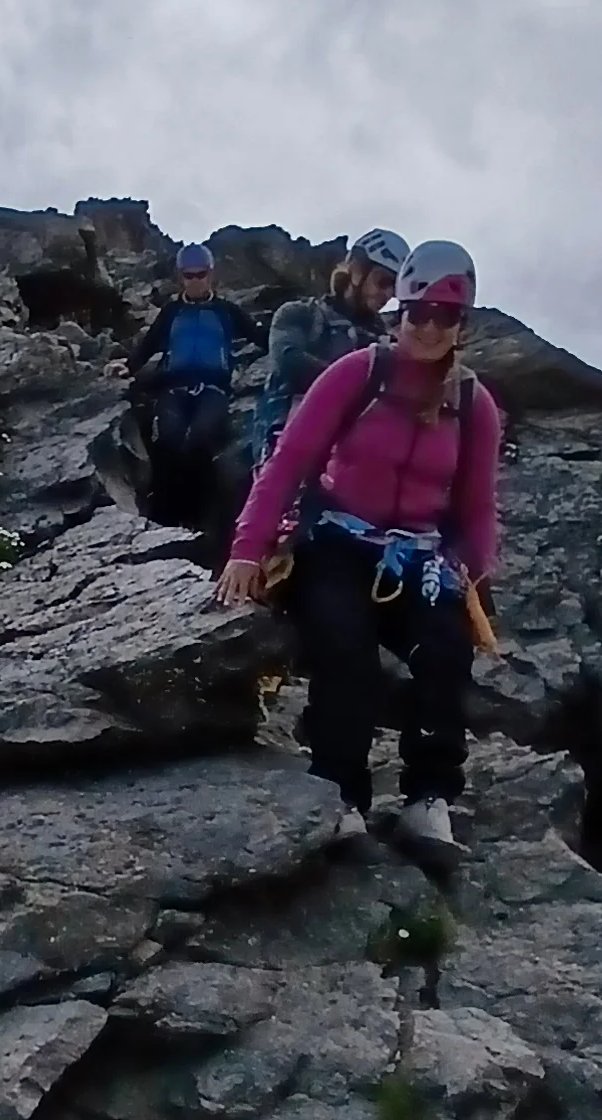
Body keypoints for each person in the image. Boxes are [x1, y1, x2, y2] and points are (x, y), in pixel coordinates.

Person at [215, 239, 500, 865]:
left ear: (462, 323)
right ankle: (343, 794)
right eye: (416, 311)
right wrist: (247, 550)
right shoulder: (355, 374)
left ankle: (429, 797)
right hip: (336, 542)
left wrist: (475, 576)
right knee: (344, 644)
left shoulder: (473, 404)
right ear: (399, 311)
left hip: (420, 558)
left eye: (444, 316)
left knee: (445, 651)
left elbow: (477, 504)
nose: (427, 327)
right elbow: (288, 463)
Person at [117, 243, 263, 525]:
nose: (195, 280)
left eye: (201, 274)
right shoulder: (171, 312)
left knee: (200, 439)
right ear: (180, 277)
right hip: (173, 387)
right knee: (168, 440)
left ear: (211, 274)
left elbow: (261, 337)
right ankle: (165, 517)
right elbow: (147, 346)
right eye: (189, 275)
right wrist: (126, 367)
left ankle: (199, 517)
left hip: (214, 389)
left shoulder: (226, 311)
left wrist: (289, 347)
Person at [252, 227, 409, 468]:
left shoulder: (385, 342)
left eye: (395, 288)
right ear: (357, 270)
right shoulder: (299, 313)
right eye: (383, 281)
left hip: (352, 461)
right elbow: (289, 361)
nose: (388, 294)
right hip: (291, 448)